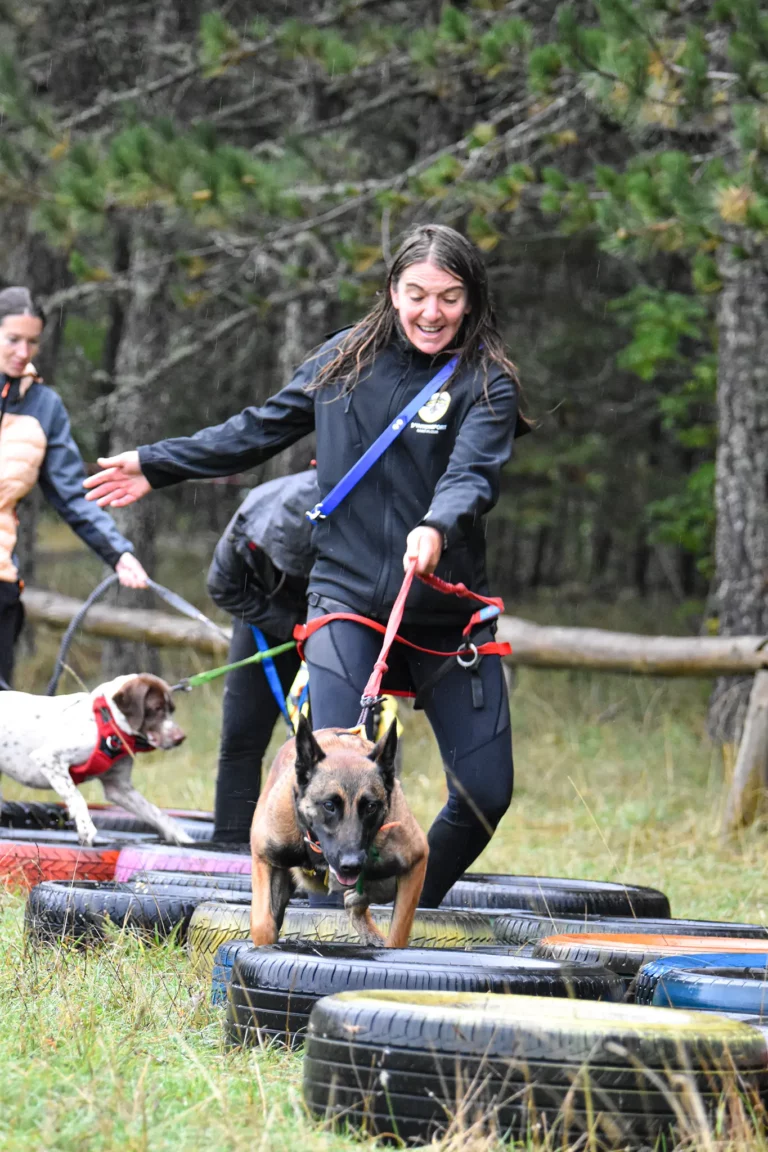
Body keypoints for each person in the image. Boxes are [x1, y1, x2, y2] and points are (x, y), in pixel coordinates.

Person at [84, 224, 527, 907]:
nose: (431, 312)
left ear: (471, 300)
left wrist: (437, 524)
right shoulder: (344, 361)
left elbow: (472, 473)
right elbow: (256, 429)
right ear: (392, 291)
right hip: (346, 597)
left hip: (446, 608)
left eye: (449, 296)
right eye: (416, 294)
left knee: (486, 793)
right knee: (331, 783)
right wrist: (156, 462)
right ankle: (322, 921)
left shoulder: (486, 382)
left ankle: (399, 905)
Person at [0, 286, 148, 687]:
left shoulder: (44, 407)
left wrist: (117, 551)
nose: (23, 351)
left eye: (32, 341)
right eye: (12, 339)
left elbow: (71, 495)